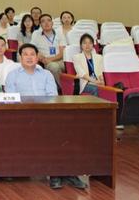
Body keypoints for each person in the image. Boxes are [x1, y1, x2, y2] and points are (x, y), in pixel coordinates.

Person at [5, 44, 85, 190]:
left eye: (32, 54)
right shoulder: (12, 75)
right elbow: (12, 99)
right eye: (25, 54)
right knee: (51, 133)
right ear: (20, 58)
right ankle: (56, 174)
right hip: (23, 116)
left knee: (67, 129)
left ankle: (68, 172)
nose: (29, 57)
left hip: (46, 113)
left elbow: (52, 96)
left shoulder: (46, 74)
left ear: (37, 57)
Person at [31, 14, 65, 85]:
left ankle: (57, 85)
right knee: (54, 67)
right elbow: (32, 49)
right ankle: (63, 88)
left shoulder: (59, 34)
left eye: (49, 20)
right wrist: (40, 56)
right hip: (45, 61)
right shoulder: (36, 34)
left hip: (59, 59)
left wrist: (50, 59)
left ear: (52, 23)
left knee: (68, 65)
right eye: (43, 21)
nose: (46, 23)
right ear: (40, 24)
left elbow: (62, 53)